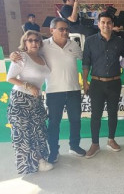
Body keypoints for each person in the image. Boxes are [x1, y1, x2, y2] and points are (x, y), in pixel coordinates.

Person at [10, 18, 87, 164]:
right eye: (61, 29)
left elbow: (86, 58)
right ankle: (54, 151)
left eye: (67, 29)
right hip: (54, 92)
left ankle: (74, 146)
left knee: (75, 120)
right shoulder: (43, 45)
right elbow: (26, 49)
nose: (65, 32)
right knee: (53, 123)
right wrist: (15, 53)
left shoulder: (74, 45)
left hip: (73, 90)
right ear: (52, 30)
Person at [83, 11, 124, 158]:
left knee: (113, 113)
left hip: (115, 82)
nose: (106, 25)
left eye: (109, 22)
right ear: (98, 23)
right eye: (103, 22)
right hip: (96, 83)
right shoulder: (90, 41)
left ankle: (111, 140)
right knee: (96, 114)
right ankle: (95, 144)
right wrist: (85, 82)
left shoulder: (120, 41)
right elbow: (86, 64)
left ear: (113, 25)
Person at [7, 30, 52, 174]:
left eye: (37, 40)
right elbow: (10, 77)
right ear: (25, 43)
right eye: (30, 40)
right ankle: (30, 164)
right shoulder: (21, 57)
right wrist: (29, 85)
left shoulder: (42, 57)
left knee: (38, 131)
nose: (34, 43)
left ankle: (40, 160)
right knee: (24, 134)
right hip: (21, 100)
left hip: (35, 100)